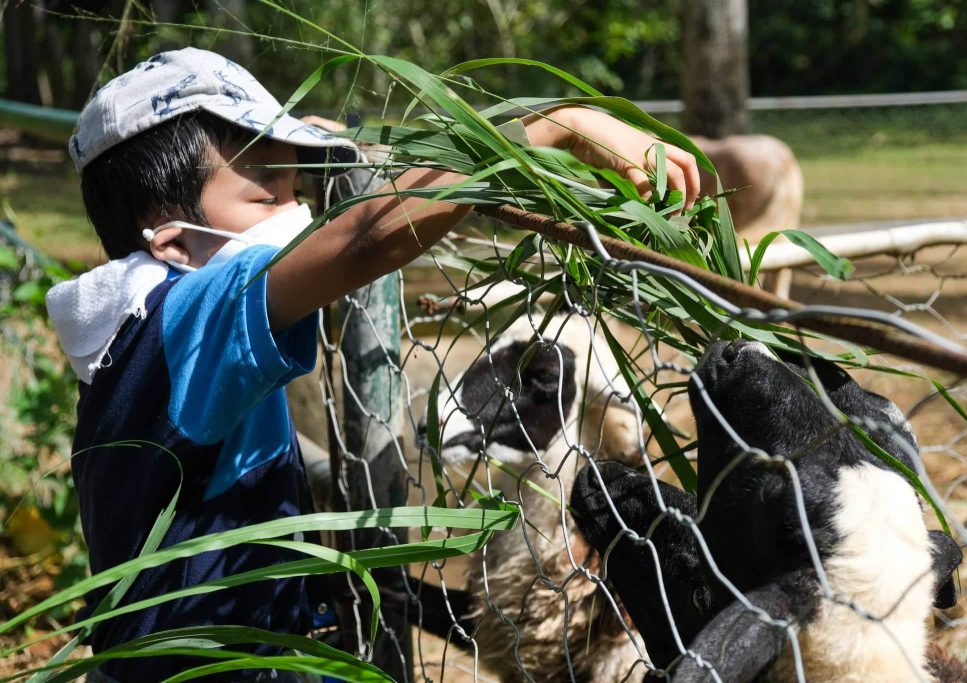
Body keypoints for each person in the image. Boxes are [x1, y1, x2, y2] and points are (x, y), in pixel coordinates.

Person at [45, 46, 699, 681]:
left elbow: (333, 161)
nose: (300, 207)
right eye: (269, 190)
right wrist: (552, 125)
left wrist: (346, 148)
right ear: (176, 241)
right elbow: (364, 240)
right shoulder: (192, 318)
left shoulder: (135, 326)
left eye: (300, 179)